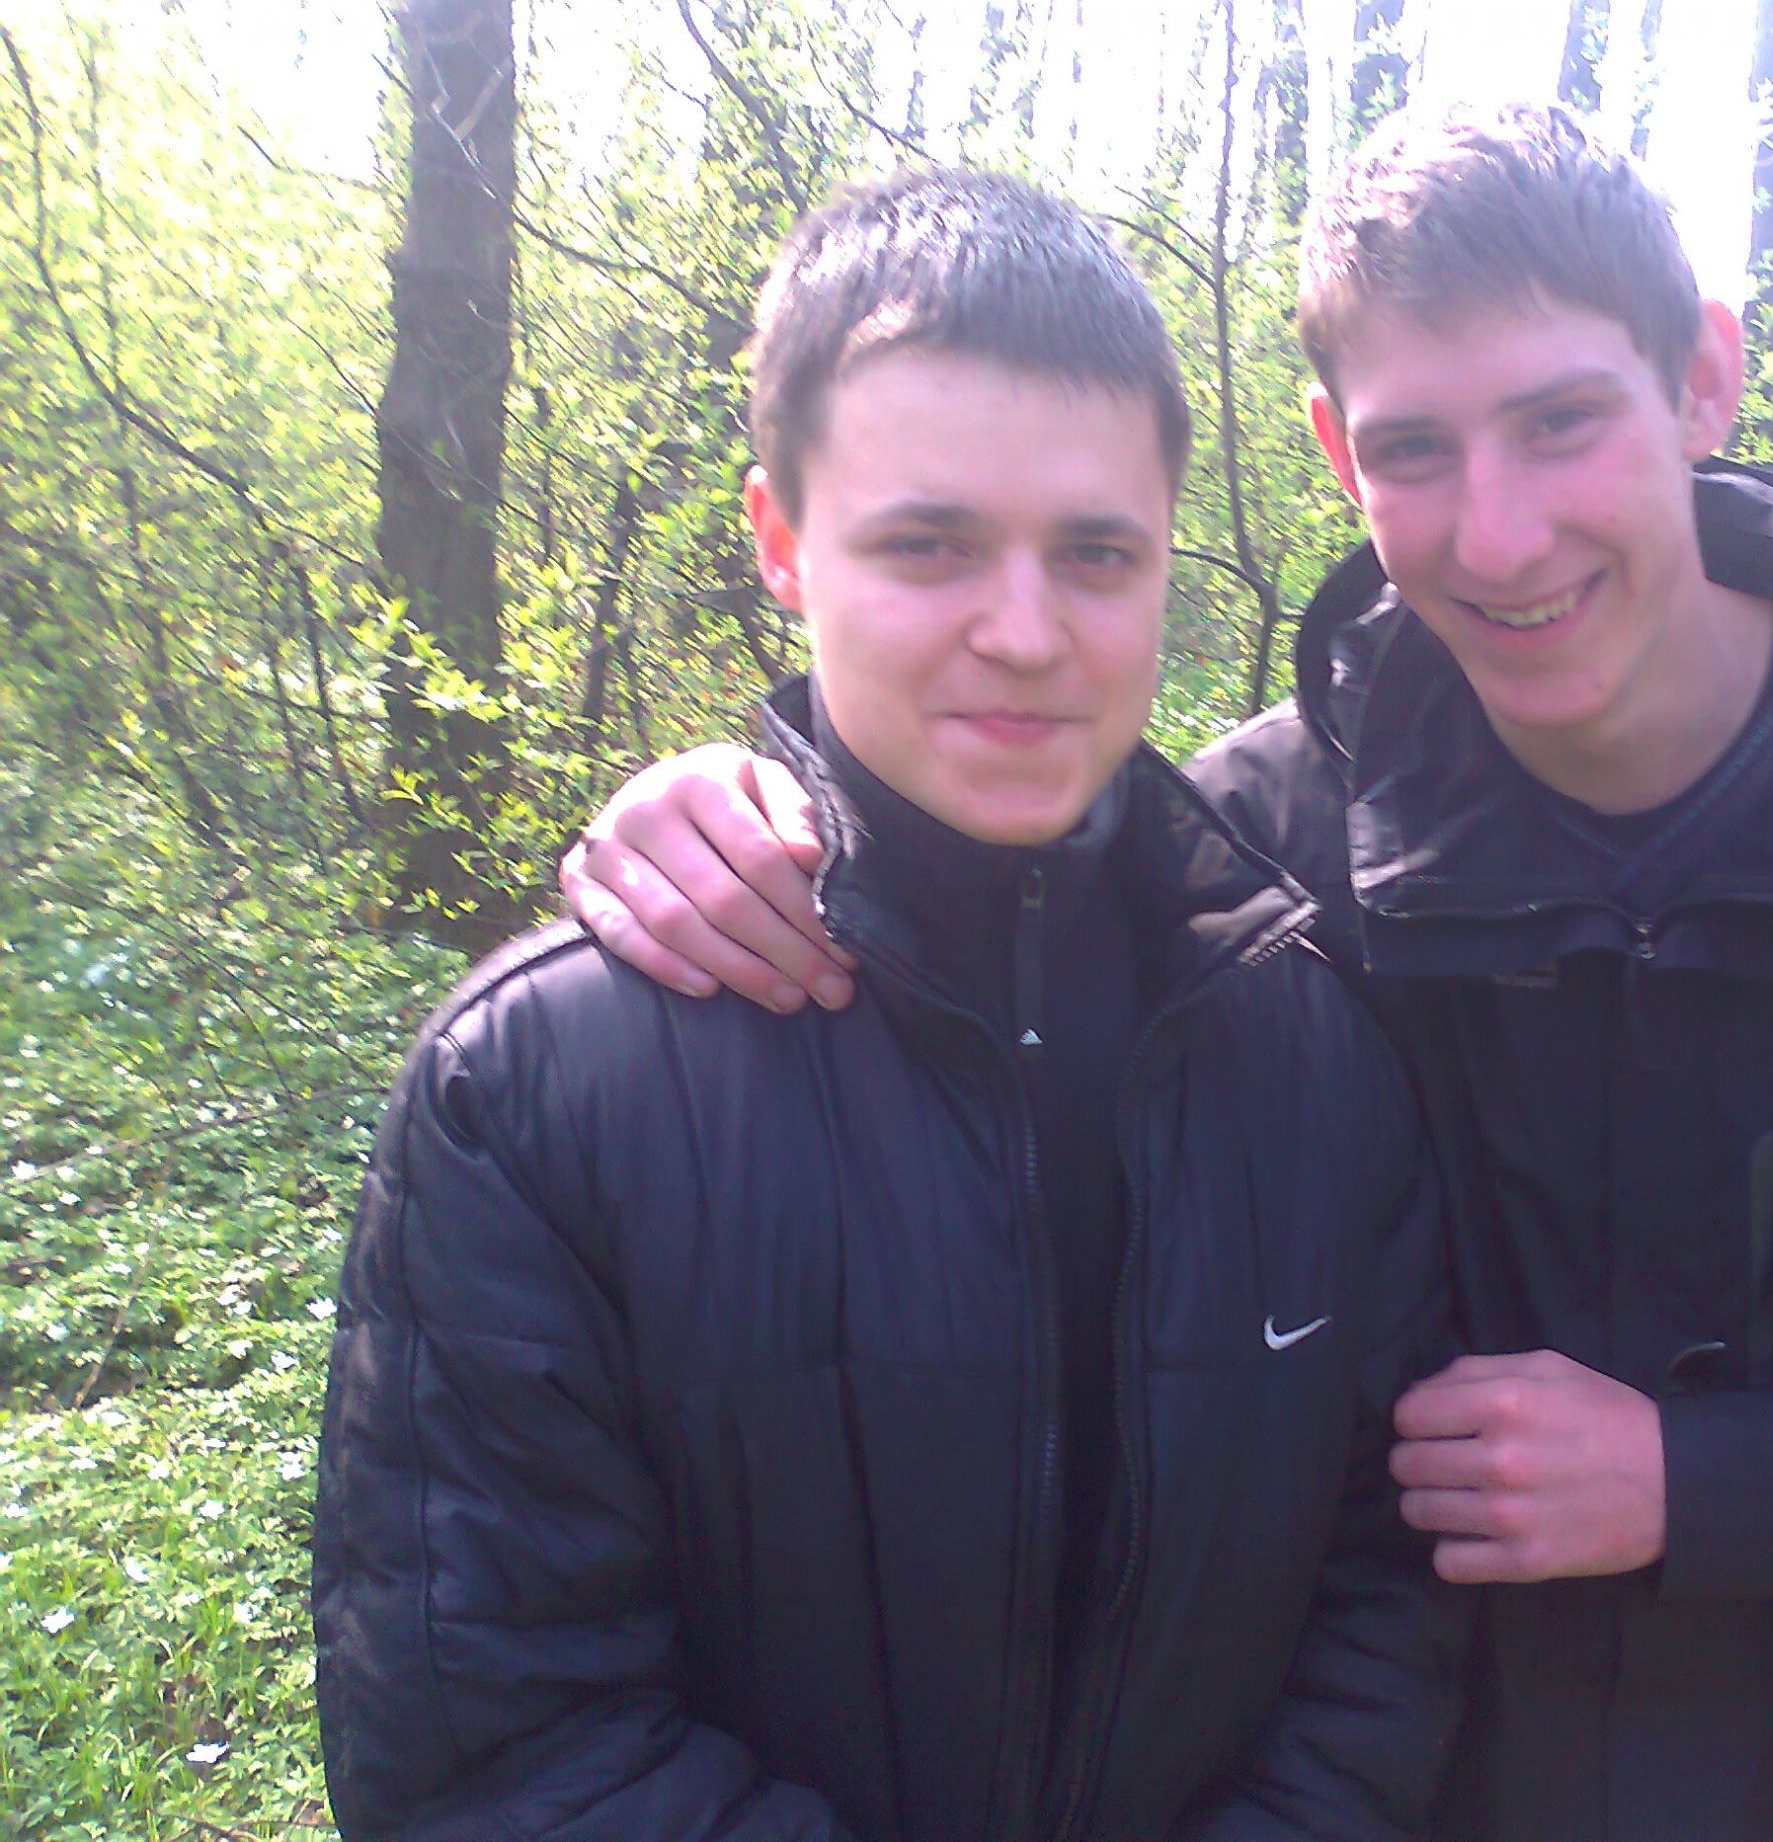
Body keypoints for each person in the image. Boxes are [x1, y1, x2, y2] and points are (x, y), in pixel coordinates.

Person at [564, 106, 1773, 1842]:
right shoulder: (1264, 853)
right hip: (1434, 1790)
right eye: (1414, 450)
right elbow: (964, 905)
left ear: (1702, 379)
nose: (1499, 534)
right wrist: (748, 808)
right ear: (1337, 452)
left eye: (1561, 423)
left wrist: (1709, 1479)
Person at [313, 168, 1465, 1842]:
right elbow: (498, 1745)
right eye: (930, 545)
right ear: (781, 542)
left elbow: (1385, 1609)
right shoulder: (546, 1083)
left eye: (1096, 553)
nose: (1025, 632)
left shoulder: (1310, 1050)